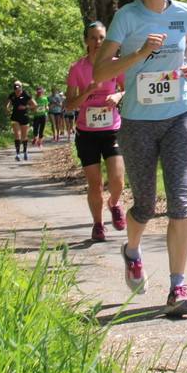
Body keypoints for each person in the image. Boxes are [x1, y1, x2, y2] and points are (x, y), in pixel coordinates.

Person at [93, 0, 187, 317]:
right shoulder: (127, 17)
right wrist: (139, 54)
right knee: (144, 205)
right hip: (139, 121)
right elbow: (100, 71)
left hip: (179, 116)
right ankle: (132, 251)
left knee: (180, 200)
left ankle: (177, 286)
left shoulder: (186, 12)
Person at [66, 22, 128, 242]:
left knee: (117, 179)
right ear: (86, 41)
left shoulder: (114, 64)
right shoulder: (77, 68)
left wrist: (118, 97)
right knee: (95, 183)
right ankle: (98, 224)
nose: (97, 42)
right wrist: (89, 91)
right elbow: (69, 104)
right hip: (87, 132)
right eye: (92, 38)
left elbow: (127, 87)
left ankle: (114, 203)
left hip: (112, 129)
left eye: (101, 37)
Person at [5, 81, 34, 161]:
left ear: (21, 88)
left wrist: (26, 107)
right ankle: (17, 153)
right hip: (15, 117)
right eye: (16, 89)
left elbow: (34, 104)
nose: (17, 91)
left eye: (19, 88)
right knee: (17, 134)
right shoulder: (12, 95)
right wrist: (7, 108)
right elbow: (7, 101)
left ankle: (25, 151)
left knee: (24, 136)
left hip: (24, 116)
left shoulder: (25, 94)